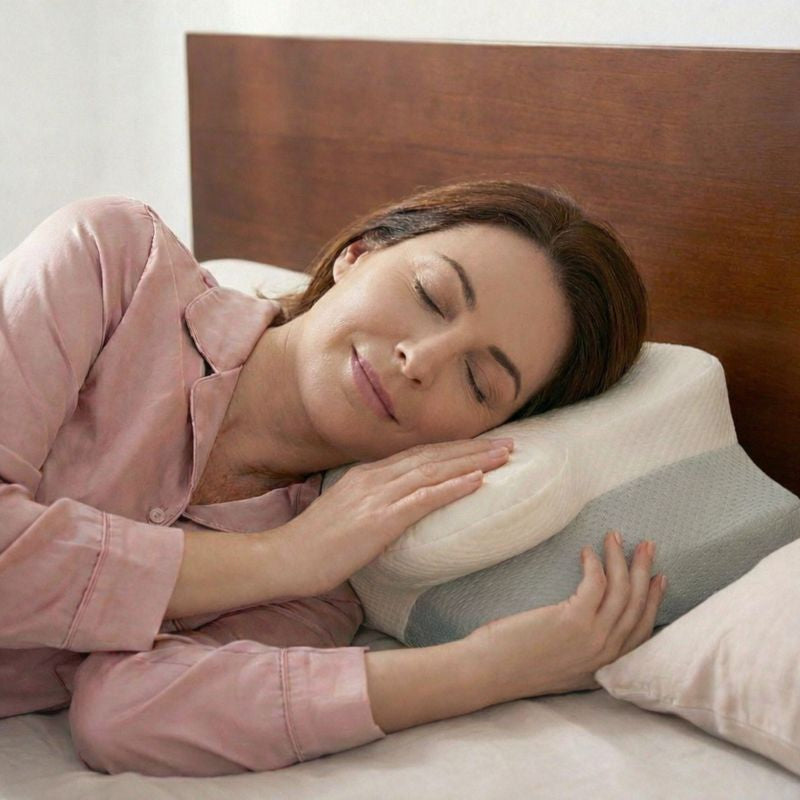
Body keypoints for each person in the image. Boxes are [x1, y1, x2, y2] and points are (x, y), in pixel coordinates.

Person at [0, 180, 663, 777]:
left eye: (478, 381)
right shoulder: (115, 260)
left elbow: (120, 717)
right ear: (359, 254)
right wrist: (277, 559)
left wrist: (485, 668)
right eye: (430, 296)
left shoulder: (328, 586)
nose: (419, 359)